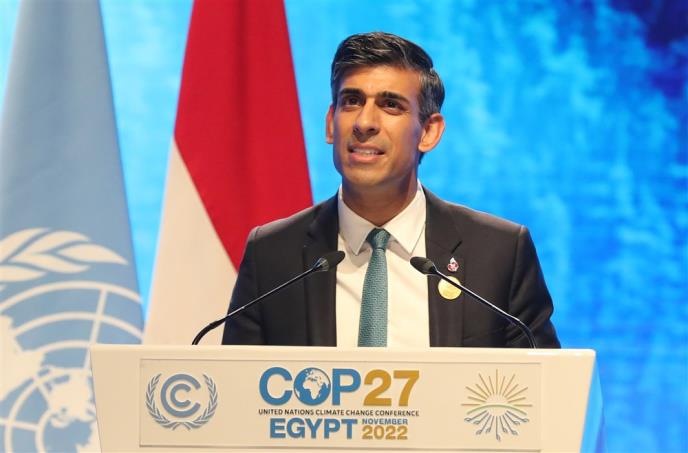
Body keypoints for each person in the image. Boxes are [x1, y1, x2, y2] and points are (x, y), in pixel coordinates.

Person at [222, 32, 560, 348]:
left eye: (391, 105)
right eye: (351, 101)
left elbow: (546, 386)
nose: (364, 123)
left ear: (428, 132)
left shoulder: (499, 253)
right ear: (330, 123)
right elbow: (237, 386)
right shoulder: (272, 255)